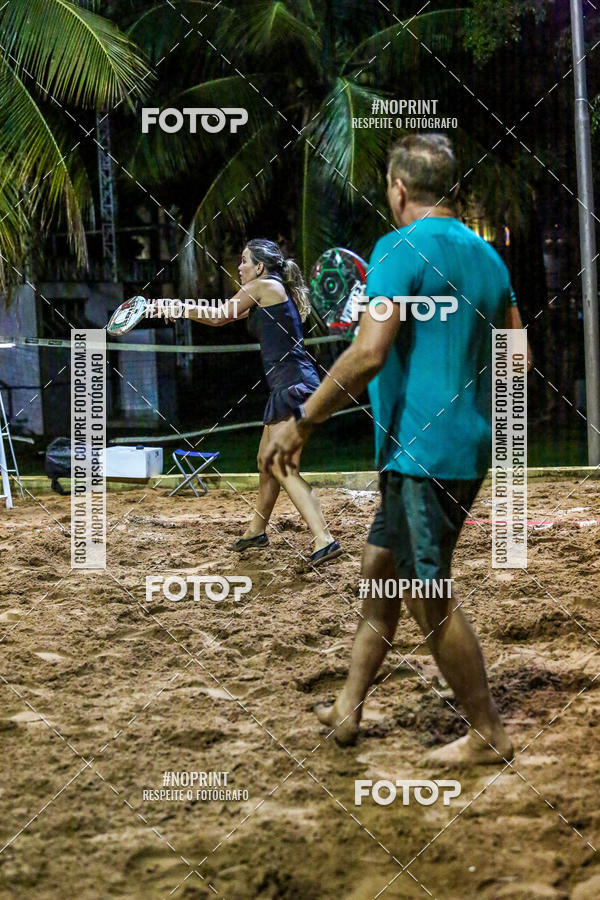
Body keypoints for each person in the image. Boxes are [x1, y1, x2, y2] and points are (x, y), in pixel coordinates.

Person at [264, 133, 532, 763]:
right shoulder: (490, 261)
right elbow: (517, 356)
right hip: (459, 448)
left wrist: (301, 418)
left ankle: (488, 732)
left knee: (426, 593)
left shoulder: (395, 249)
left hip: (421, 454)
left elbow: (368, 351)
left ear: (400, 188)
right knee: (380, 573)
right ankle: (348, 710)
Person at [176, 238, 341, 566]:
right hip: (289, 386)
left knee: (281, 465)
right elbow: (226, 315)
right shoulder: (270, 290)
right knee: (265, 461)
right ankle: (256, 531)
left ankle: (324, 539)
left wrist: (178, 308)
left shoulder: (264, 286)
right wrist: (173, 308)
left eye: (244, 261)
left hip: (293, 387)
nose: (239, 267)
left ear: (260, 267)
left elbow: (220, 315)